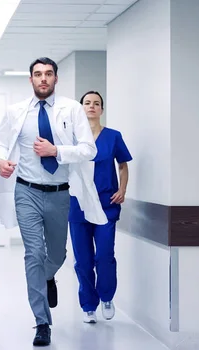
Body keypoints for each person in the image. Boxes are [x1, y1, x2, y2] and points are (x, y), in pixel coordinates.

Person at [0, 57, 107, 346]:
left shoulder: (72, 110)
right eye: (38, 74)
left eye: (48, 74)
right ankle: (41, 322)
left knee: (58, 255)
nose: (43, 79)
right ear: (30, 80)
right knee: (33, 254)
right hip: (26, 191)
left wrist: (57, 150)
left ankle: (48, 276)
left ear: (56, 79)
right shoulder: (16, 112)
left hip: (60, 192)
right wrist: (0, 160)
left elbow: (89, 149)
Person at [69, 91, 132, 324]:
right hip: (78, 205)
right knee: (83, 259)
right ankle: (88, 305)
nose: (92, 106)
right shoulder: (73, 138)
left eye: (96, 103)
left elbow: (123, 165)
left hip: (107, 204)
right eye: (87, 103)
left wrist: (123, 189)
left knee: (104, 255)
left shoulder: (113, 136)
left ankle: (106, 296)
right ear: (81, 108)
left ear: (102, 110)